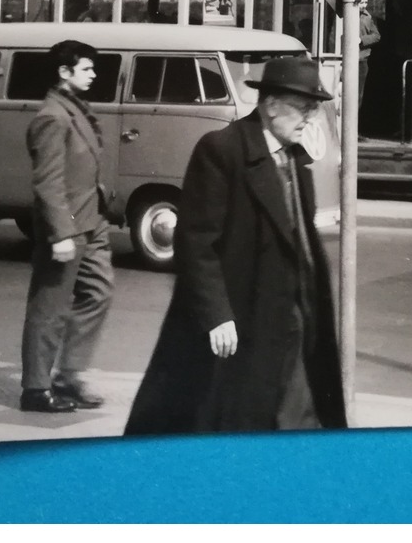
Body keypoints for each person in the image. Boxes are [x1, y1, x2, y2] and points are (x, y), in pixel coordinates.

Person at [125, 56, 346, 434]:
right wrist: (216, 314)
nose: (310, 117)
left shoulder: (295, 159)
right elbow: (196, 240)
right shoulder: (222, 150)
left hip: (294, 316)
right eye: (303, 108)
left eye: (314, 108)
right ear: (271, 105)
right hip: (246, 317)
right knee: (233, 417)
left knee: (299, 412)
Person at [19, 40, 115, 414]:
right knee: (50, 307)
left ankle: (68, 376)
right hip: (68, 227)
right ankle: (36, 390)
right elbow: (48, 183)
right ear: (64, 72)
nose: (94, 74)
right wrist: (60, 233)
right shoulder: (52, 117)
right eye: (87, 68)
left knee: (99, 292)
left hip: (92, 222)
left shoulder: (74, 109)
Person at [357, 5, 380, 108]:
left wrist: (362, 40)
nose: (363, 4)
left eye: (365, 1)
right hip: (342, 59)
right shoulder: (342, 13)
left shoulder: (368, 17)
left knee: (359, 93)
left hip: (362, 59)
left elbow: (376, 36)